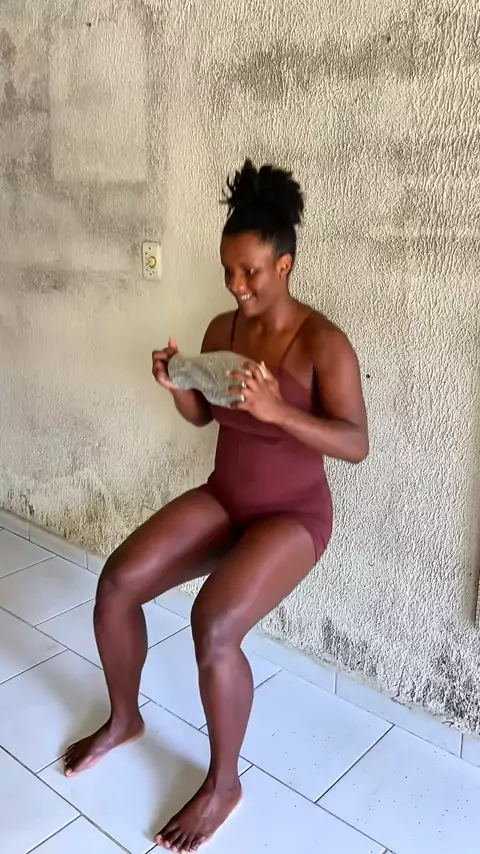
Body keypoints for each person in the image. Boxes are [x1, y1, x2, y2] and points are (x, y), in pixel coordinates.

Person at [64, 160, 369, 852]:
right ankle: (123, 719)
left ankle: (225, 784)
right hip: (226, 498)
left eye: (251, 272)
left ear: (284, 265)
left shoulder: (323, 344)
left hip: (293, 517)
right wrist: (178, 385)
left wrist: (280, 410)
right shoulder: (221, 329)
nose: (236, 285)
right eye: (229, 271)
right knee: (117, 582)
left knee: (215, 623)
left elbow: (355, 444)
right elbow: (205, 416)